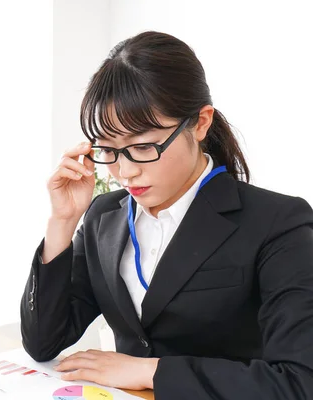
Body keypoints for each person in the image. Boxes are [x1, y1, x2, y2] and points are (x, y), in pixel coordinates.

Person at [20, 31, 313, 399]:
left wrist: (148, 370)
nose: (125, 172)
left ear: (201, 123)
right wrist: (62, 222)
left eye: (143, 146)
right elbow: (44, 343)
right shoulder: (103, 217)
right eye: (107, 150)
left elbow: (299, 381)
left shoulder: (278, 222)